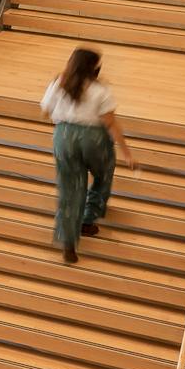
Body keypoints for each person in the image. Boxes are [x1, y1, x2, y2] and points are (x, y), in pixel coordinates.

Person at [40, 47, 126, 265]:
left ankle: (69, 242)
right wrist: (127, 152)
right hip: (93, 138)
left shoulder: (59, 82)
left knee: (70, 189)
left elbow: (45, 111)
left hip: (63, 136)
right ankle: (88, 219)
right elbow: (110, 122)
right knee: (103, 172)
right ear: (93, 68)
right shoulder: (100, 90)